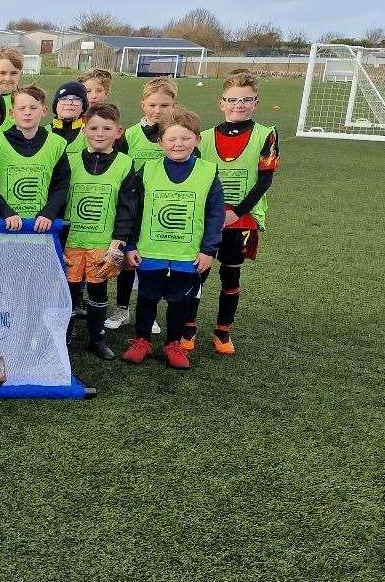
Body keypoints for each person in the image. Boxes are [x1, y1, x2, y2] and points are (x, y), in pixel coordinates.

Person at [120, 108, 223, 370]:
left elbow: (214, 214)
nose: (179, 144)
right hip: (150, 250)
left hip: (187, 253)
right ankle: (142, 340)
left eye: (186, 138)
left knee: (180, 300)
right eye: (172, 139)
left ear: (198, 140)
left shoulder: (208, 172)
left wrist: (208, 250)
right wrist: (130, 245)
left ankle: (173, 344)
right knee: (146, 297)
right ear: (160, 142)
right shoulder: (147, 170)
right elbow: (134, 210)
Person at [194, 70, 278, 355]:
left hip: (242, 219)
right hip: (208, 219)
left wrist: (237, 211)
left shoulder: (266, 134)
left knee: (230, 275)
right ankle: (188, 329)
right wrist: (214, 215)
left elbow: (265, 179)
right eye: (232, 100)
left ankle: (223, 331)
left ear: (256, 102)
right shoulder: (203, 138)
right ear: (221, 102)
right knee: (197, 274)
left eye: (245, 100)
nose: (238, 105)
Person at [61, 102, 138, 359]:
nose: (99, 133)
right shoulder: (69, 161)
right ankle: (65, 334)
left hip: (102, 244)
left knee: (98, 291)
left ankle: (97, 337)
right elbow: (58, 202)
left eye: (107, 128)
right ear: (84, 129)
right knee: (68, 291)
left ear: (118, 131)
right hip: (70, 242)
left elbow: (127, 208)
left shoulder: (126, 164)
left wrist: (119, 243)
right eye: (93, 127)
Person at [107, 77, 176, 331]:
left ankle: (150, 313)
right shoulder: (131, 136)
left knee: (153, 262)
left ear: (173, 106)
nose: (158, 111)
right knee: (127, 259)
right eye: (152, 105)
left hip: (161, 210)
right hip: (133, 208)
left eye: (164, 105)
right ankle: (123, 309)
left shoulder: (176, 136)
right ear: (143, 105)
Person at [0, 84, 68, 232]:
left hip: (41, 227)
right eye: (22, 108)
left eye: (33, 108)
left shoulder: (57, 144)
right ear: (12, 113)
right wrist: (6, 212)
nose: (27, 113)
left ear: (44, 111)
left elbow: (61, 185)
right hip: (3, 225)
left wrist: (48, 213)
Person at [0, 46, 24, 127]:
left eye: (13, 73)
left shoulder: (27, 104)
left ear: (21, 74)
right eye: (2, 73)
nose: (7, 78)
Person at [50, 80, 89, 149]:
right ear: (56, 106)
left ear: (83, 108)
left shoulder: (91, 134)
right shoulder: (42, 132)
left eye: (76, 99)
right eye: (64, 99)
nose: (69, 103)